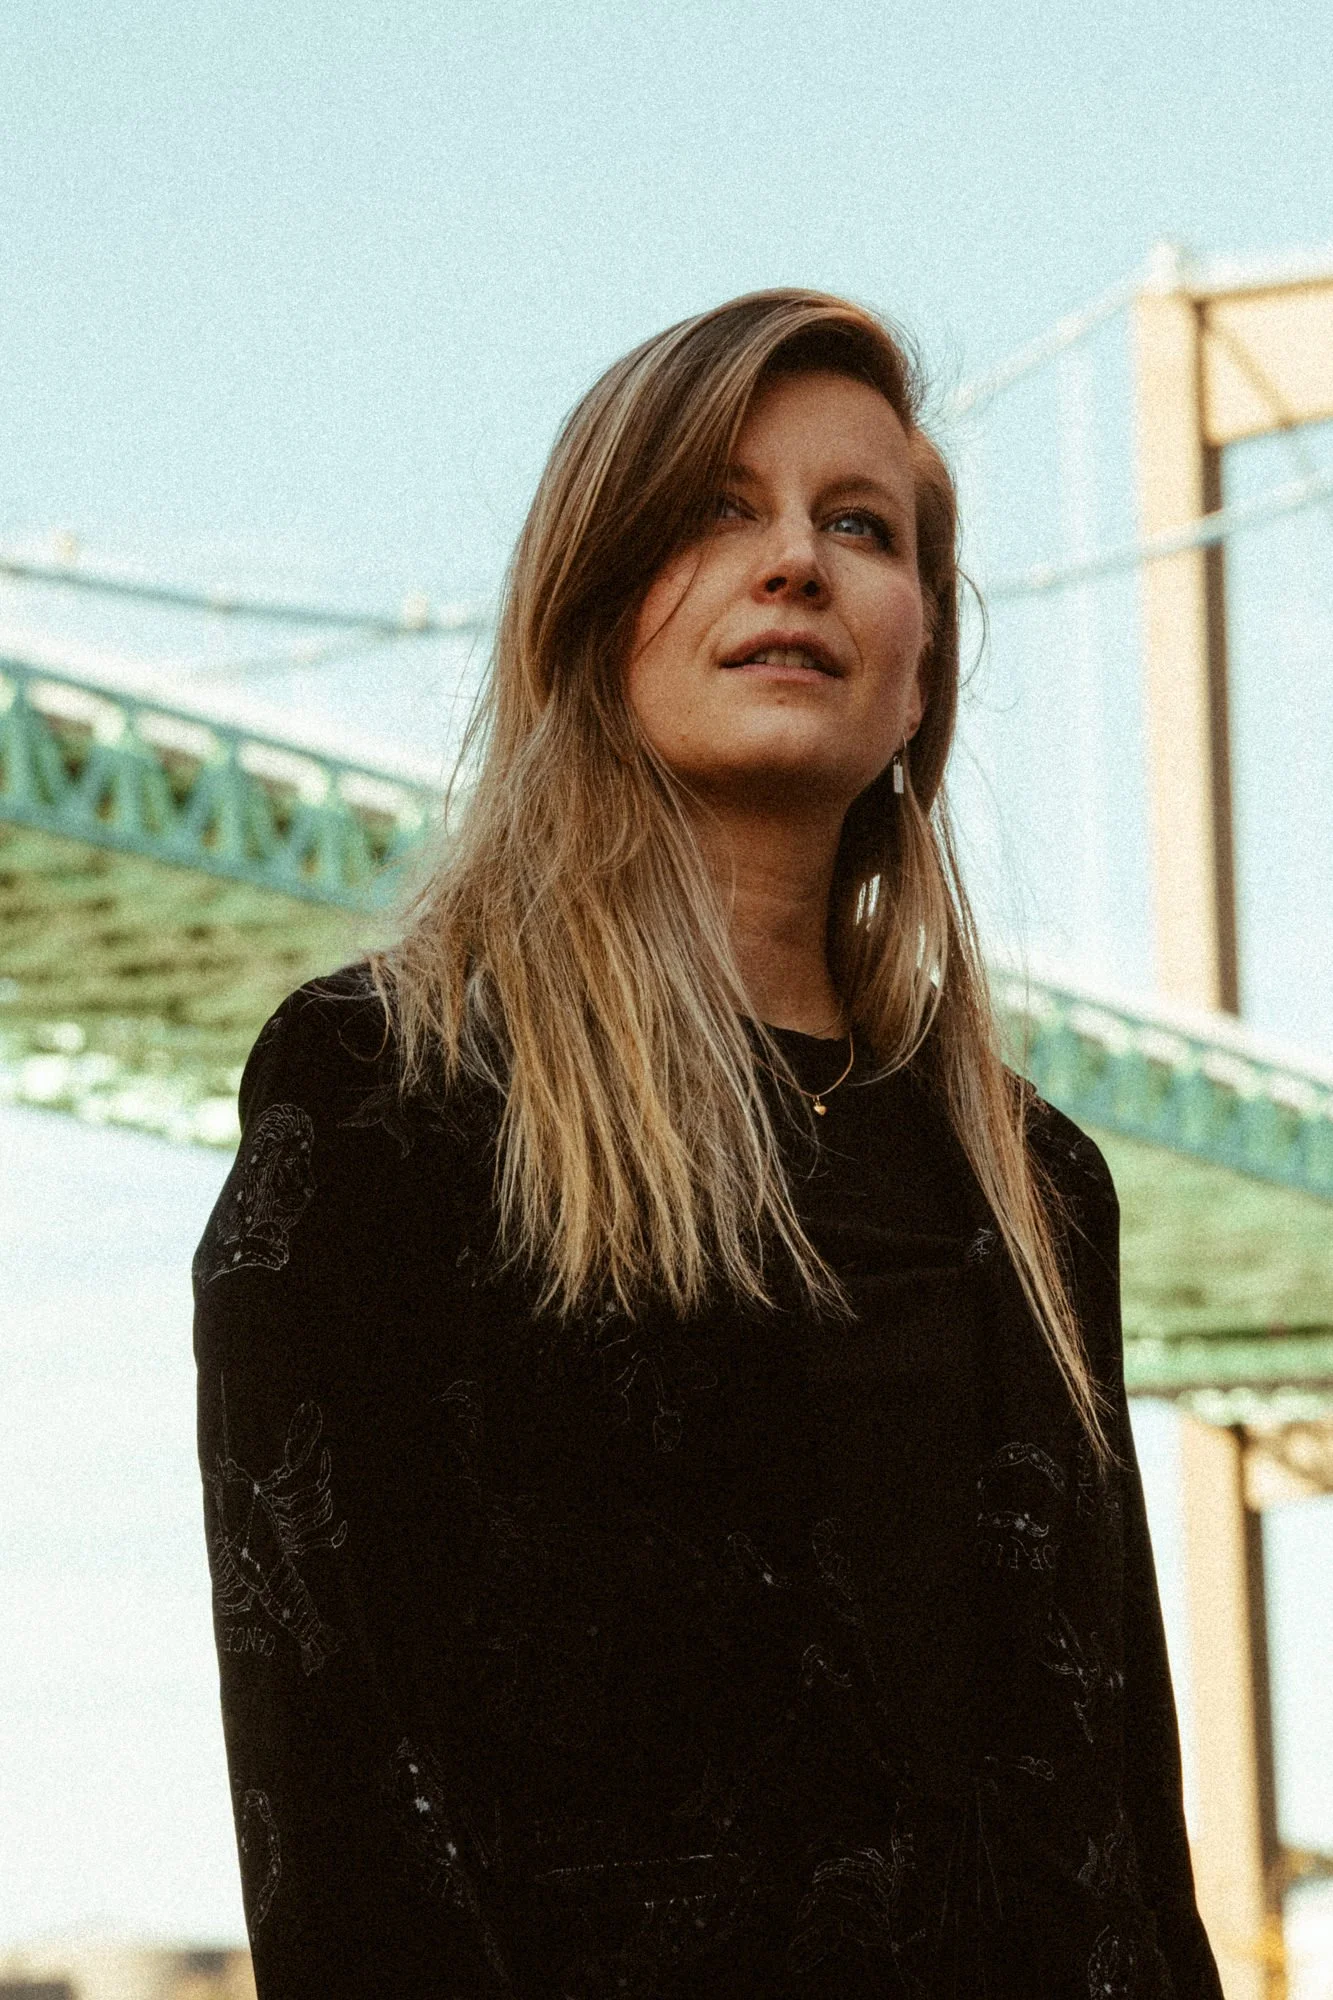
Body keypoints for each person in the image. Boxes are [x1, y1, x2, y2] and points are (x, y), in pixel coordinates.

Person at [194, 289, 1222, 1999]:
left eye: (860, 527)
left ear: (920, 670)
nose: (796, 561)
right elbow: (339, 1798)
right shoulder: (388, 1091)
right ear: (595, 611)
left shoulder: (1038, 1182)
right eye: (716, 512)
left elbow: (1130, 1832)